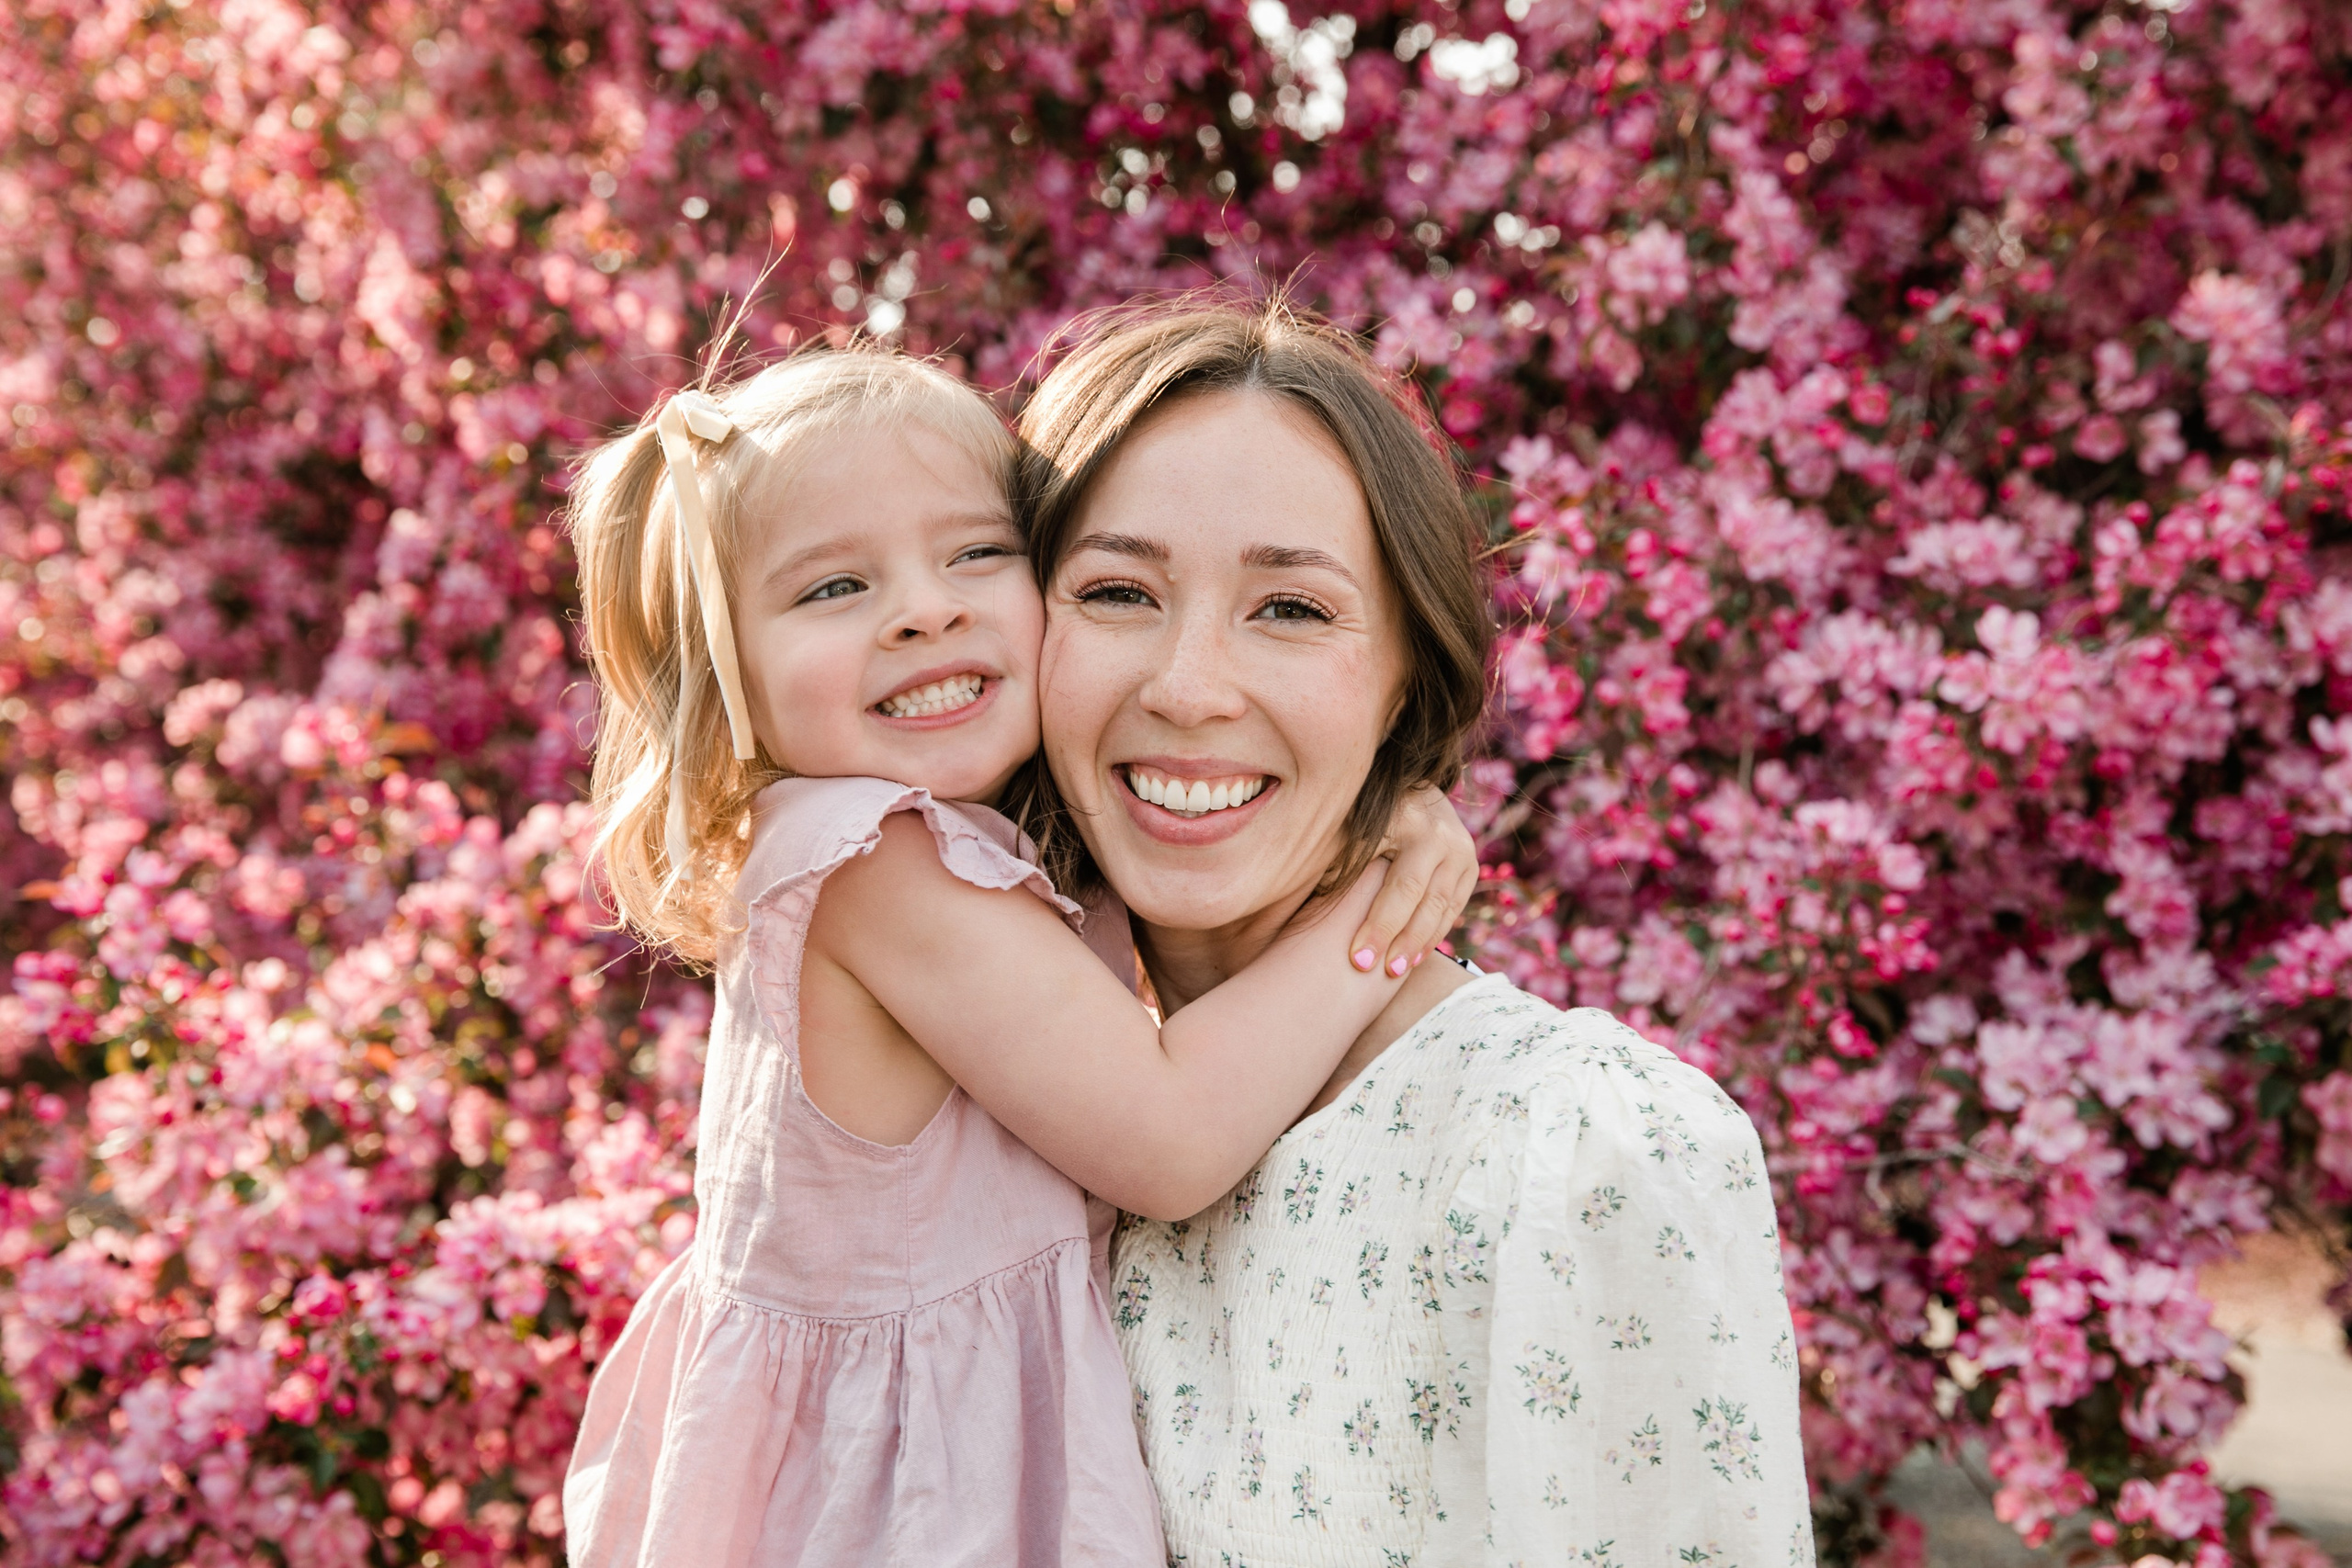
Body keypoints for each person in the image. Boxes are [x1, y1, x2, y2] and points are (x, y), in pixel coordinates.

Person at [556, 346, 1479, 1567]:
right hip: (903, 1515)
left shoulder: (962, 845)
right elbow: (1170, 1139)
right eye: (834, 588)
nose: (924, 608)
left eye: (978, 554)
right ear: (730, 675)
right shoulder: (871, 861)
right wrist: (1383, 903)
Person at [1016, 301, 1814, 1566]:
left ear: (1406, 683)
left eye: (1291, 610)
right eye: (1117, 591)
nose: (1188, 685)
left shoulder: (1585, 1154)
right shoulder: (996, 1137)